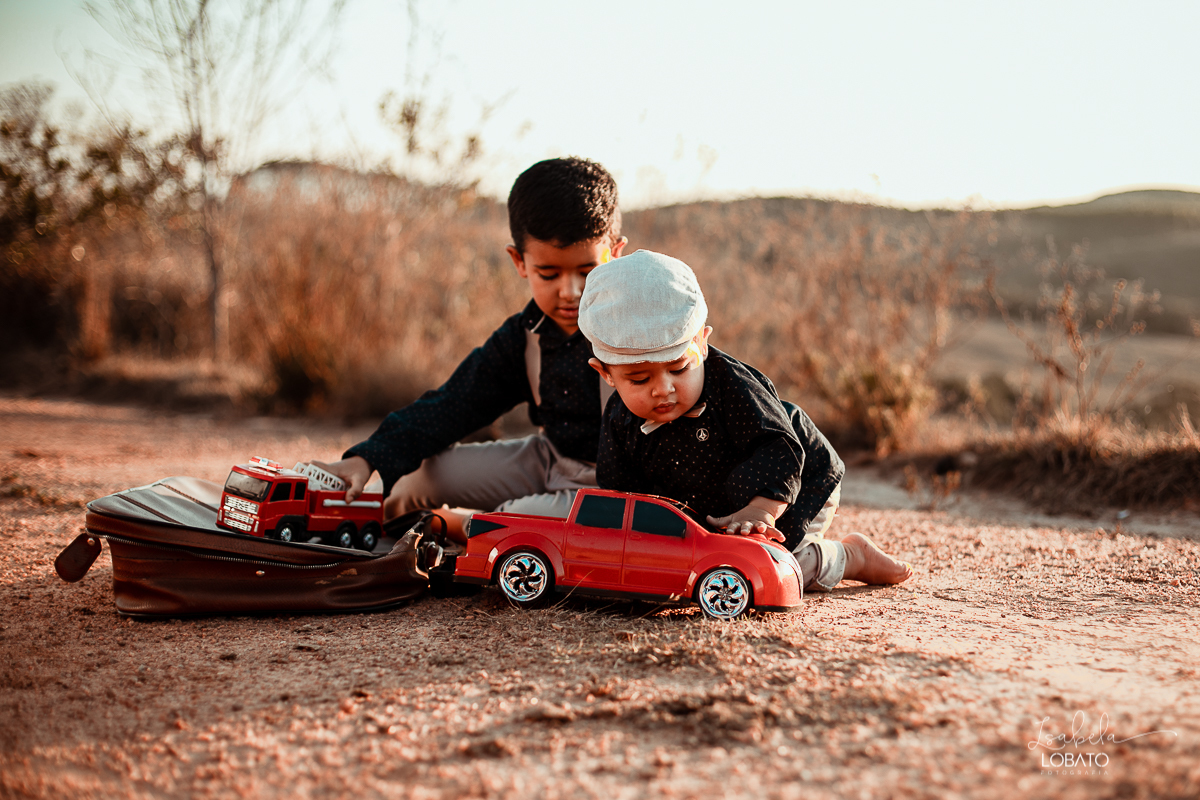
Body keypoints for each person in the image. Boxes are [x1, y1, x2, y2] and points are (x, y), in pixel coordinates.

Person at [309, 157, 628, 542]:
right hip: (547, 459)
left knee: (516, 520)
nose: (570, 291)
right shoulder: (524, 336)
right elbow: (453, 403)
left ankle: (453, 530)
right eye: (549, 274)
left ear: (616, 253)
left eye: (587, 271)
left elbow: (709, 396)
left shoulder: (645, 332)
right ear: (519, 262)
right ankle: (348, 529)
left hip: (618, 489)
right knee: (418, 479)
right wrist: (367, 458)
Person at [578, 249, 912, 591]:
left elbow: (779, 447)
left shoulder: (733, 386)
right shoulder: (620, 420)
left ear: (702, 343)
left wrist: (761, 511)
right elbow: (620, 490)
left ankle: (848, 556)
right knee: (696, 561)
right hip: (717, 498)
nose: (663, 389)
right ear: (606, 374)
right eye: (639, 380)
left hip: (793, 479)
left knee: (772, 567)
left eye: (679, 368)